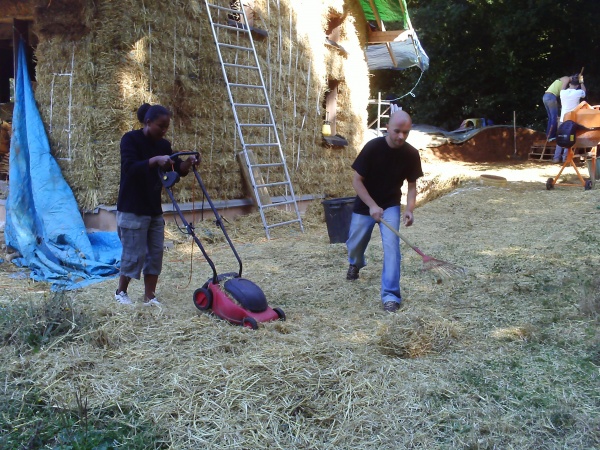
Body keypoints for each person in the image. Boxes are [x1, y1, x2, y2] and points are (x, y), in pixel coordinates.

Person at [114, 103, 198, 306]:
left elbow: (175, 167)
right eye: (161, 126)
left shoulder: (163, 145)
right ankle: (121, 292)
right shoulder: (130, 140)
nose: (164, 130)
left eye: (166, 127)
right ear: (148, 122)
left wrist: (187, 163)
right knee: (134, 253)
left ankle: (149, 296)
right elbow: (130, 168)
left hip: (153, 208)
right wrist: (154, 160)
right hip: (132, 207)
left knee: (155, 253)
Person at [345, 110, 423, 313]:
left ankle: (391, 296)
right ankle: (355, 263)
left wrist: (410, 209)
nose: (401, 137)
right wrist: (371, 205)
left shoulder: (411, 154)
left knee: (392, 248)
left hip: (390, 205)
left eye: (406, 132)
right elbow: (357, 180)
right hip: (365, 205)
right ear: (387, 128)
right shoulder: (372, 148)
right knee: (354, 244)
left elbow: (412, 186)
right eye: (397, 131)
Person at [553, 74, 586, 163]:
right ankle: (565, 159)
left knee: (560, 137)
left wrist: (568, 79)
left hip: (562, 119)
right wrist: (581, 80)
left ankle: (556, 158)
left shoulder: (562, 92)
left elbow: (563, 86)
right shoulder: (578, 92)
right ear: (578, 85)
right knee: (570, 138)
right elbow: (584, 91)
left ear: (570, 83)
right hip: (572, 120)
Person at [543, 75, 570, 141]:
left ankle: (548, 135)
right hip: (551, 96)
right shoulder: (567, 79)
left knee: (551, 118)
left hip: (545, 96)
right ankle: (552, 136)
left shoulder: (562, 79)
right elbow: (562, 92)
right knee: (554, 118)